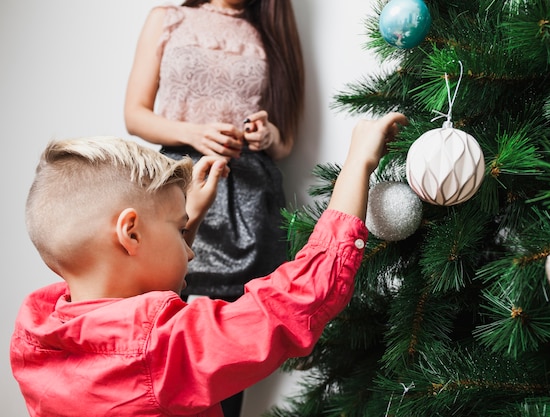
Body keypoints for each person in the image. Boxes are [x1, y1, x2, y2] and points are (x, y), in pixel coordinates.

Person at [10, 112, 408, 417]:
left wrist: (188, 218)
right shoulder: (161, 350)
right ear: (130, 233)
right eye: (177, 229)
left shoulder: (35, 335)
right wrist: (357, 166)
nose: (190, 253)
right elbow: (292, 303)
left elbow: (124, 311)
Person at [124, 0, 304, 408]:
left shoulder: (270, 31)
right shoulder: (168, 18)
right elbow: (135, 114)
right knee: (155, 318)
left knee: (229, 342)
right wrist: (194, 132)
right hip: (176, 187)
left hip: (247, 196)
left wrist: (268, 136)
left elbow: (287, 140)